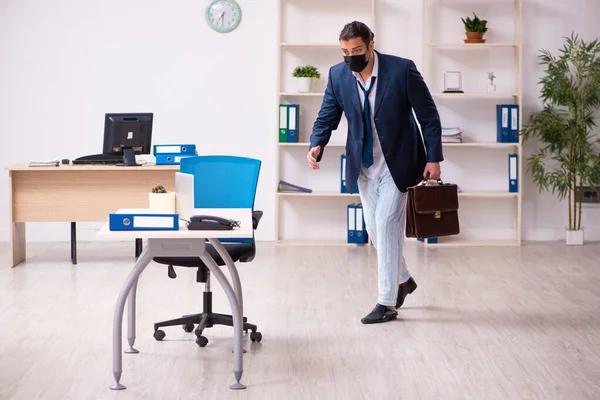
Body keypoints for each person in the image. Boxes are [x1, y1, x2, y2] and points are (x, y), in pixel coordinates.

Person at [307, 21, 443, 324]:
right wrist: (317, 144)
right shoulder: (338, 75)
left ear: (371, 45)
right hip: (363, 166)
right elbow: (327, 114)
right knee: (375, 230)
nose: (350, 56)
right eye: (345, 51)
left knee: (385, 224)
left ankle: (387, 303)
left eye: (356, 50)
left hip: (400, 163)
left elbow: (429, 116)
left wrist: (434, 158)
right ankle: (404, 280)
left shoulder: (401, 70)